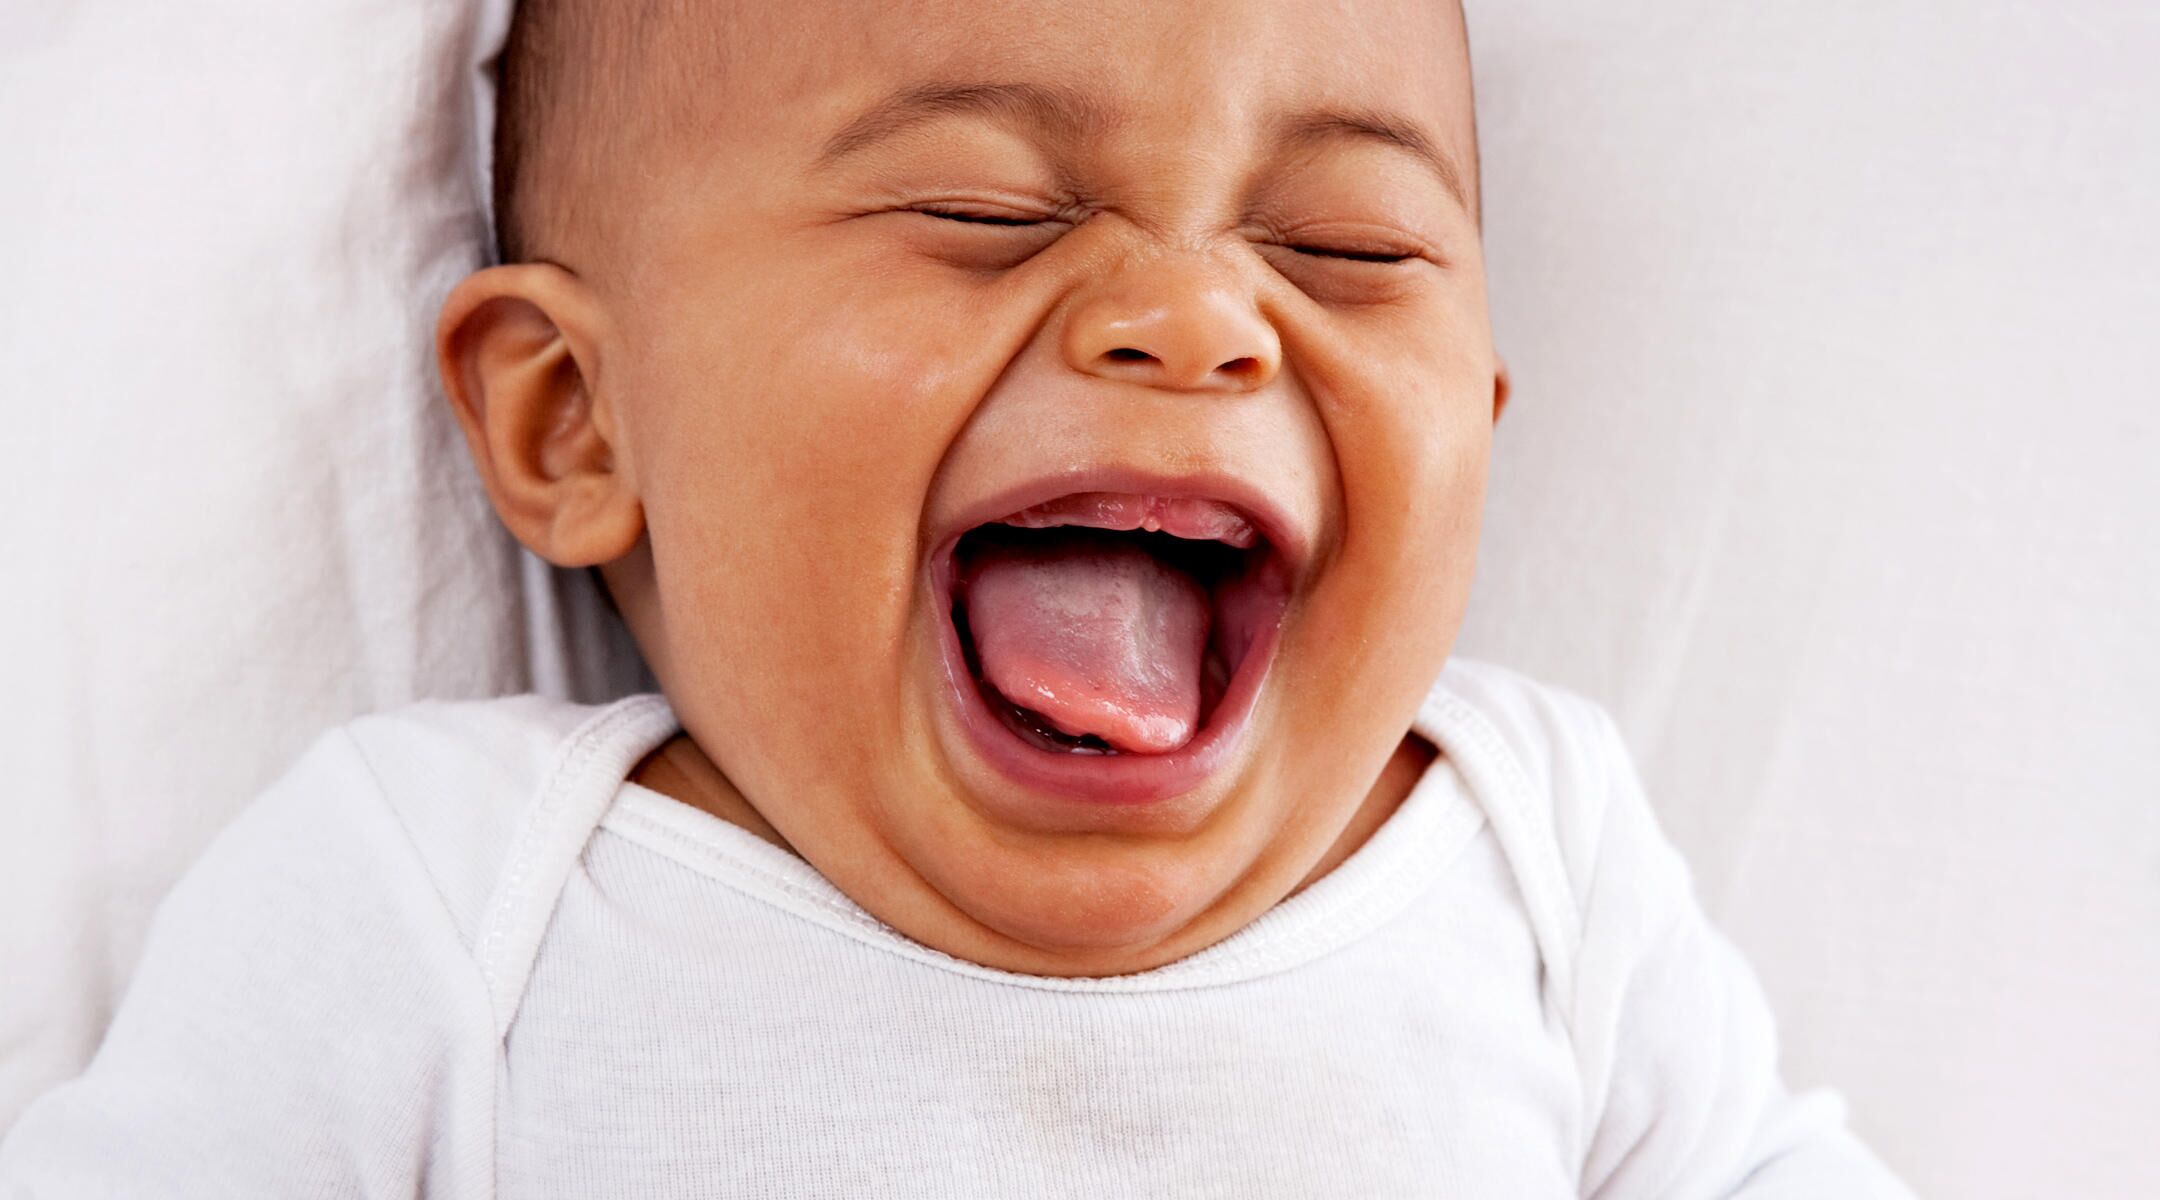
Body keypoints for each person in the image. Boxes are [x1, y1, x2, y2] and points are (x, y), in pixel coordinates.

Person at [0, 0, 1915, 1194]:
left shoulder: (1536, 858)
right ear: (578, 416)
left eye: (1347, 248)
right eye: (984, 211)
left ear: (1484, 424)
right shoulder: (450, 898)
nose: (1195, 316)